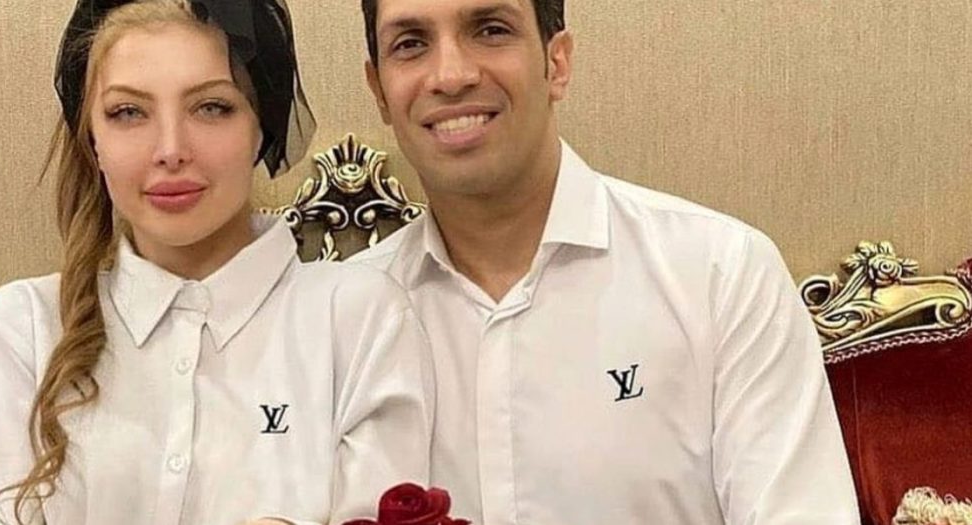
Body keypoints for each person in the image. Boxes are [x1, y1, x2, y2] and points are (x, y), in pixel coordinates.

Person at [353, 0, 860, 523]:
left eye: (490, 30)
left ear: (557, 63)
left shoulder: (723, 275)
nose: (451, 75)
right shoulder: (340, 322)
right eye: (411, 44)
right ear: (379, 91)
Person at [0, 1, 433, 524]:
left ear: (261, 127)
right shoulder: (23, 328)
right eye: (128, 112)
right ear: (93, 140)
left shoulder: (361, 318)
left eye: (211, 107)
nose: (170, 150)